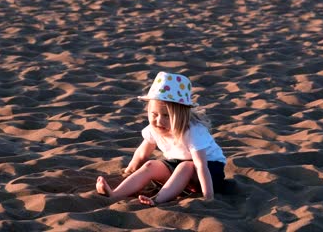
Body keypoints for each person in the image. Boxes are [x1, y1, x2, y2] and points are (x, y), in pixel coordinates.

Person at [96, 71, 226, 206]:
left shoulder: (193, 131)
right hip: (179, 169)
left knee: (186, 166)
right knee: (150, 165)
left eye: (166, 116)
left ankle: (157, 200)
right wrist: (129, 171)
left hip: (209, 173)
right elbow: (142, 154)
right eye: (154, 114)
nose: (159, 121)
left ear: (181, 115)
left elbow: (201, 166)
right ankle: (115, 194)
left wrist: (208, 197)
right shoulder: (154, 129)